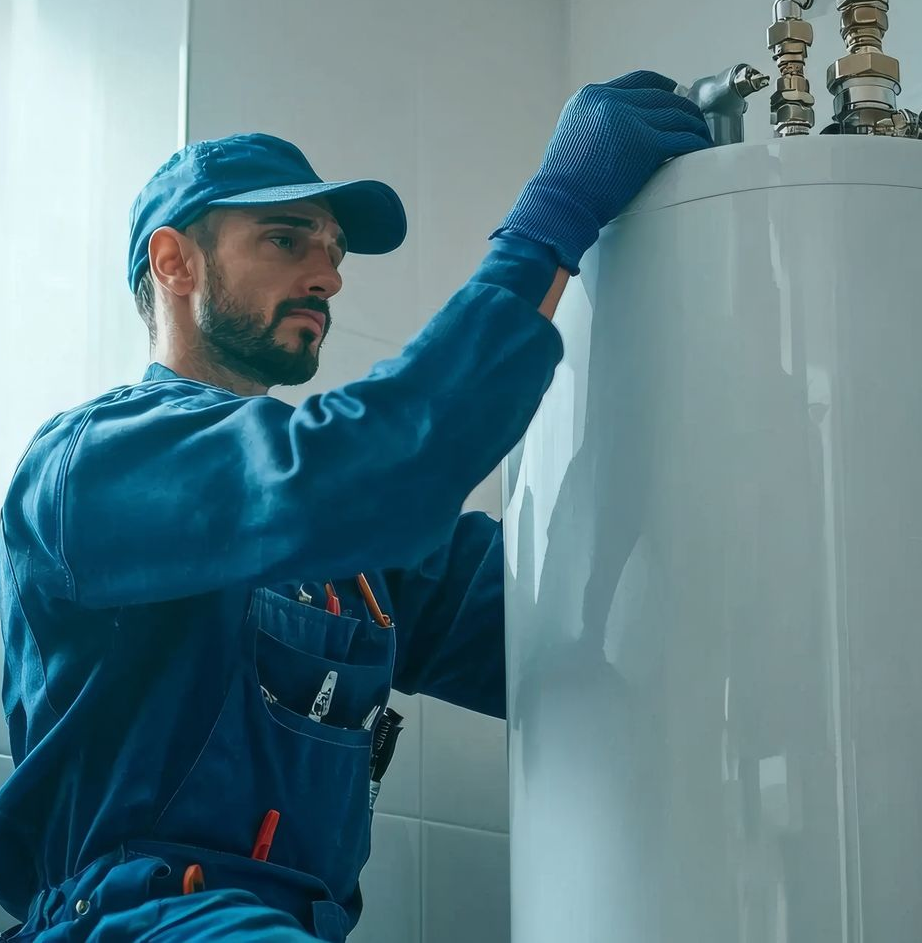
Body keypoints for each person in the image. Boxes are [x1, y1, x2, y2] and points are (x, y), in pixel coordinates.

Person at [0, 70, 711, 941]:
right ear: (174, 260)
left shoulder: (362, 546)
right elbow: (367, 468)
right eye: (286, 238)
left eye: (333, 251)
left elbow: (566, 628)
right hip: (130, 921)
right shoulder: (92, 465)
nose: (328, 276)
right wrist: (555, 214)